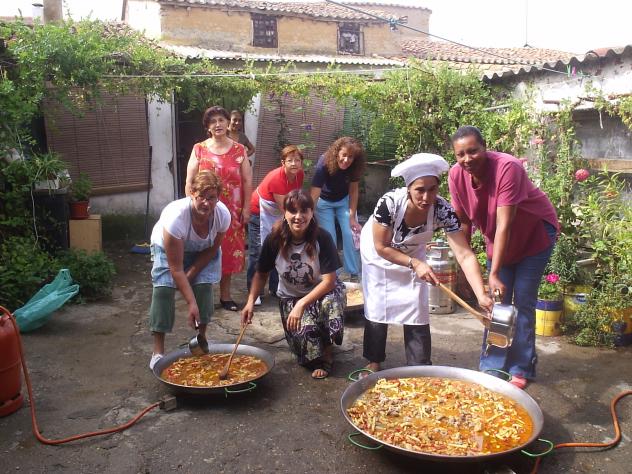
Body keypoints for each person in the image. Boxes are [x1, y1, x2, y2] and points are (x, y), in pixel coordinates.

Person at [360, 153, 493, 375]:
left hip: (412, 252)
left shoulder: (442, 210)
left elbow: (464, 254)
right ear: (408, 189)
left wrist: (481, 295)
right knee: (378, 304)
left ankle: (419, 365)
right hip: (378, 254)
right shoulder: (389, 204)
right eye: (419, 190)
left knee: (416, 304)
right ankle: (374, 361)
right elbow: (381, 247)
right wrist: (414, 263)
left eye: (432, 189)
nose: (426, 197)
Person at [449, 125, 559, 389]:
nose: (467, 159)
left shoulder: (508, 167)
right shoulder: (456, 176)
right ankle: (493, 366)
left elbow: (504, 224)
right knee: (497, 304)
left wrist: (494, 273)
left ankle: (521, 367)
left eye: (473, 151)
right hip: (498, 238)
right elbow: (463, 224)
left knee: (522, 300)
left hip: (534, 233)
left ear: (485, 148)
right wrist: (464, 268)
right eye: (460, 154)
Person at [241, 190, 345, 379]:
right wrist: (250, 302)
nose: (298, 217)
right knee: (307, 347)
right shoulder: (274, 239)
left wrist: (302, 304)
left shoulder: (322, 237)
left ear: (312, 213)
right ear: (285, 213)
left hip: (321, 294)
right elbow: (261, 274)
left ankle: (328, 351)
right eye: (293, 211)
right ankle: (311, 345)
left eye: (304, 211)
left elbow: (329, 281)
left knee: (332, 303)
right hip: (290, 298)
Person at [148, 170, 231, 370]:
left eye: (211, 198)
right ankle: (158, 352)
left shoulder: (222, 215)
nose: (206, 203)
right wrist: (190, 302)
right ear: (192, 193)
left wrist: (191, 275)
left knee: (203, 288)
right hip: (167, 248)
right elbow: (176, 268)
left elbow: (212, 250)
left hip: (203, 251)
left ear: (218, 198)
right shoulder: (176, 217)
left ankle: (200, 341)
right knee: (163, 290)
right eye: (201, 196)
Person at [185, 106, 253, 311]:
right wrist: (191, 208)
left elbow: (247, 181)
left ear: (227, 123)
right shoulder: (199, 149)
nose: (218, 124)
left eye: (221, 120)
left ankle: (225, 296)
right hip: (204, 210)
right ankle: (200, 295)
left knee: (228, 253)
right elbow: (189, 181)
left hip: (232, 211)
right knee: (202, 250)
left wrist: (246, 208)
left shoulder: (239, 150)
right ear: (207, 127)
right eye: (212, 121)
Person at [247, 145, 305, 305]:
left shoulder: (300, 175)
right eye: (290, 160)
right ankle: (254, 292)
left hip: (280, 213)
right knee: (258, 251)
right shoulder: (276, 179)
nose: (294, 164)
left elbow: (295, 198)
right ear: (283, 162)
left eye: (297, 160)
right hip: (259, 213)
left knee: (280, 249)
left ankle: (275, 288)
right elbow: (285, 208)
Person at [310, 137, 365, 281]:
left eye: (350, 157)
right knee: (329, 237)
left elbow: (353, 191)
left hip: (343, 201)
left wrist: (352, 217)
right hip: (324, 202)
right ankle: (332, 274)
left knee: (350, 233)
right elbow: (315, 192)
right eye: (344, 155)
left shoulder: (354, 166)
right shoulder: (324, 162)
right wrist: (309, 215)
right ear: (336, 153)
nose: (346, 160)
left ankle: (353, 273)